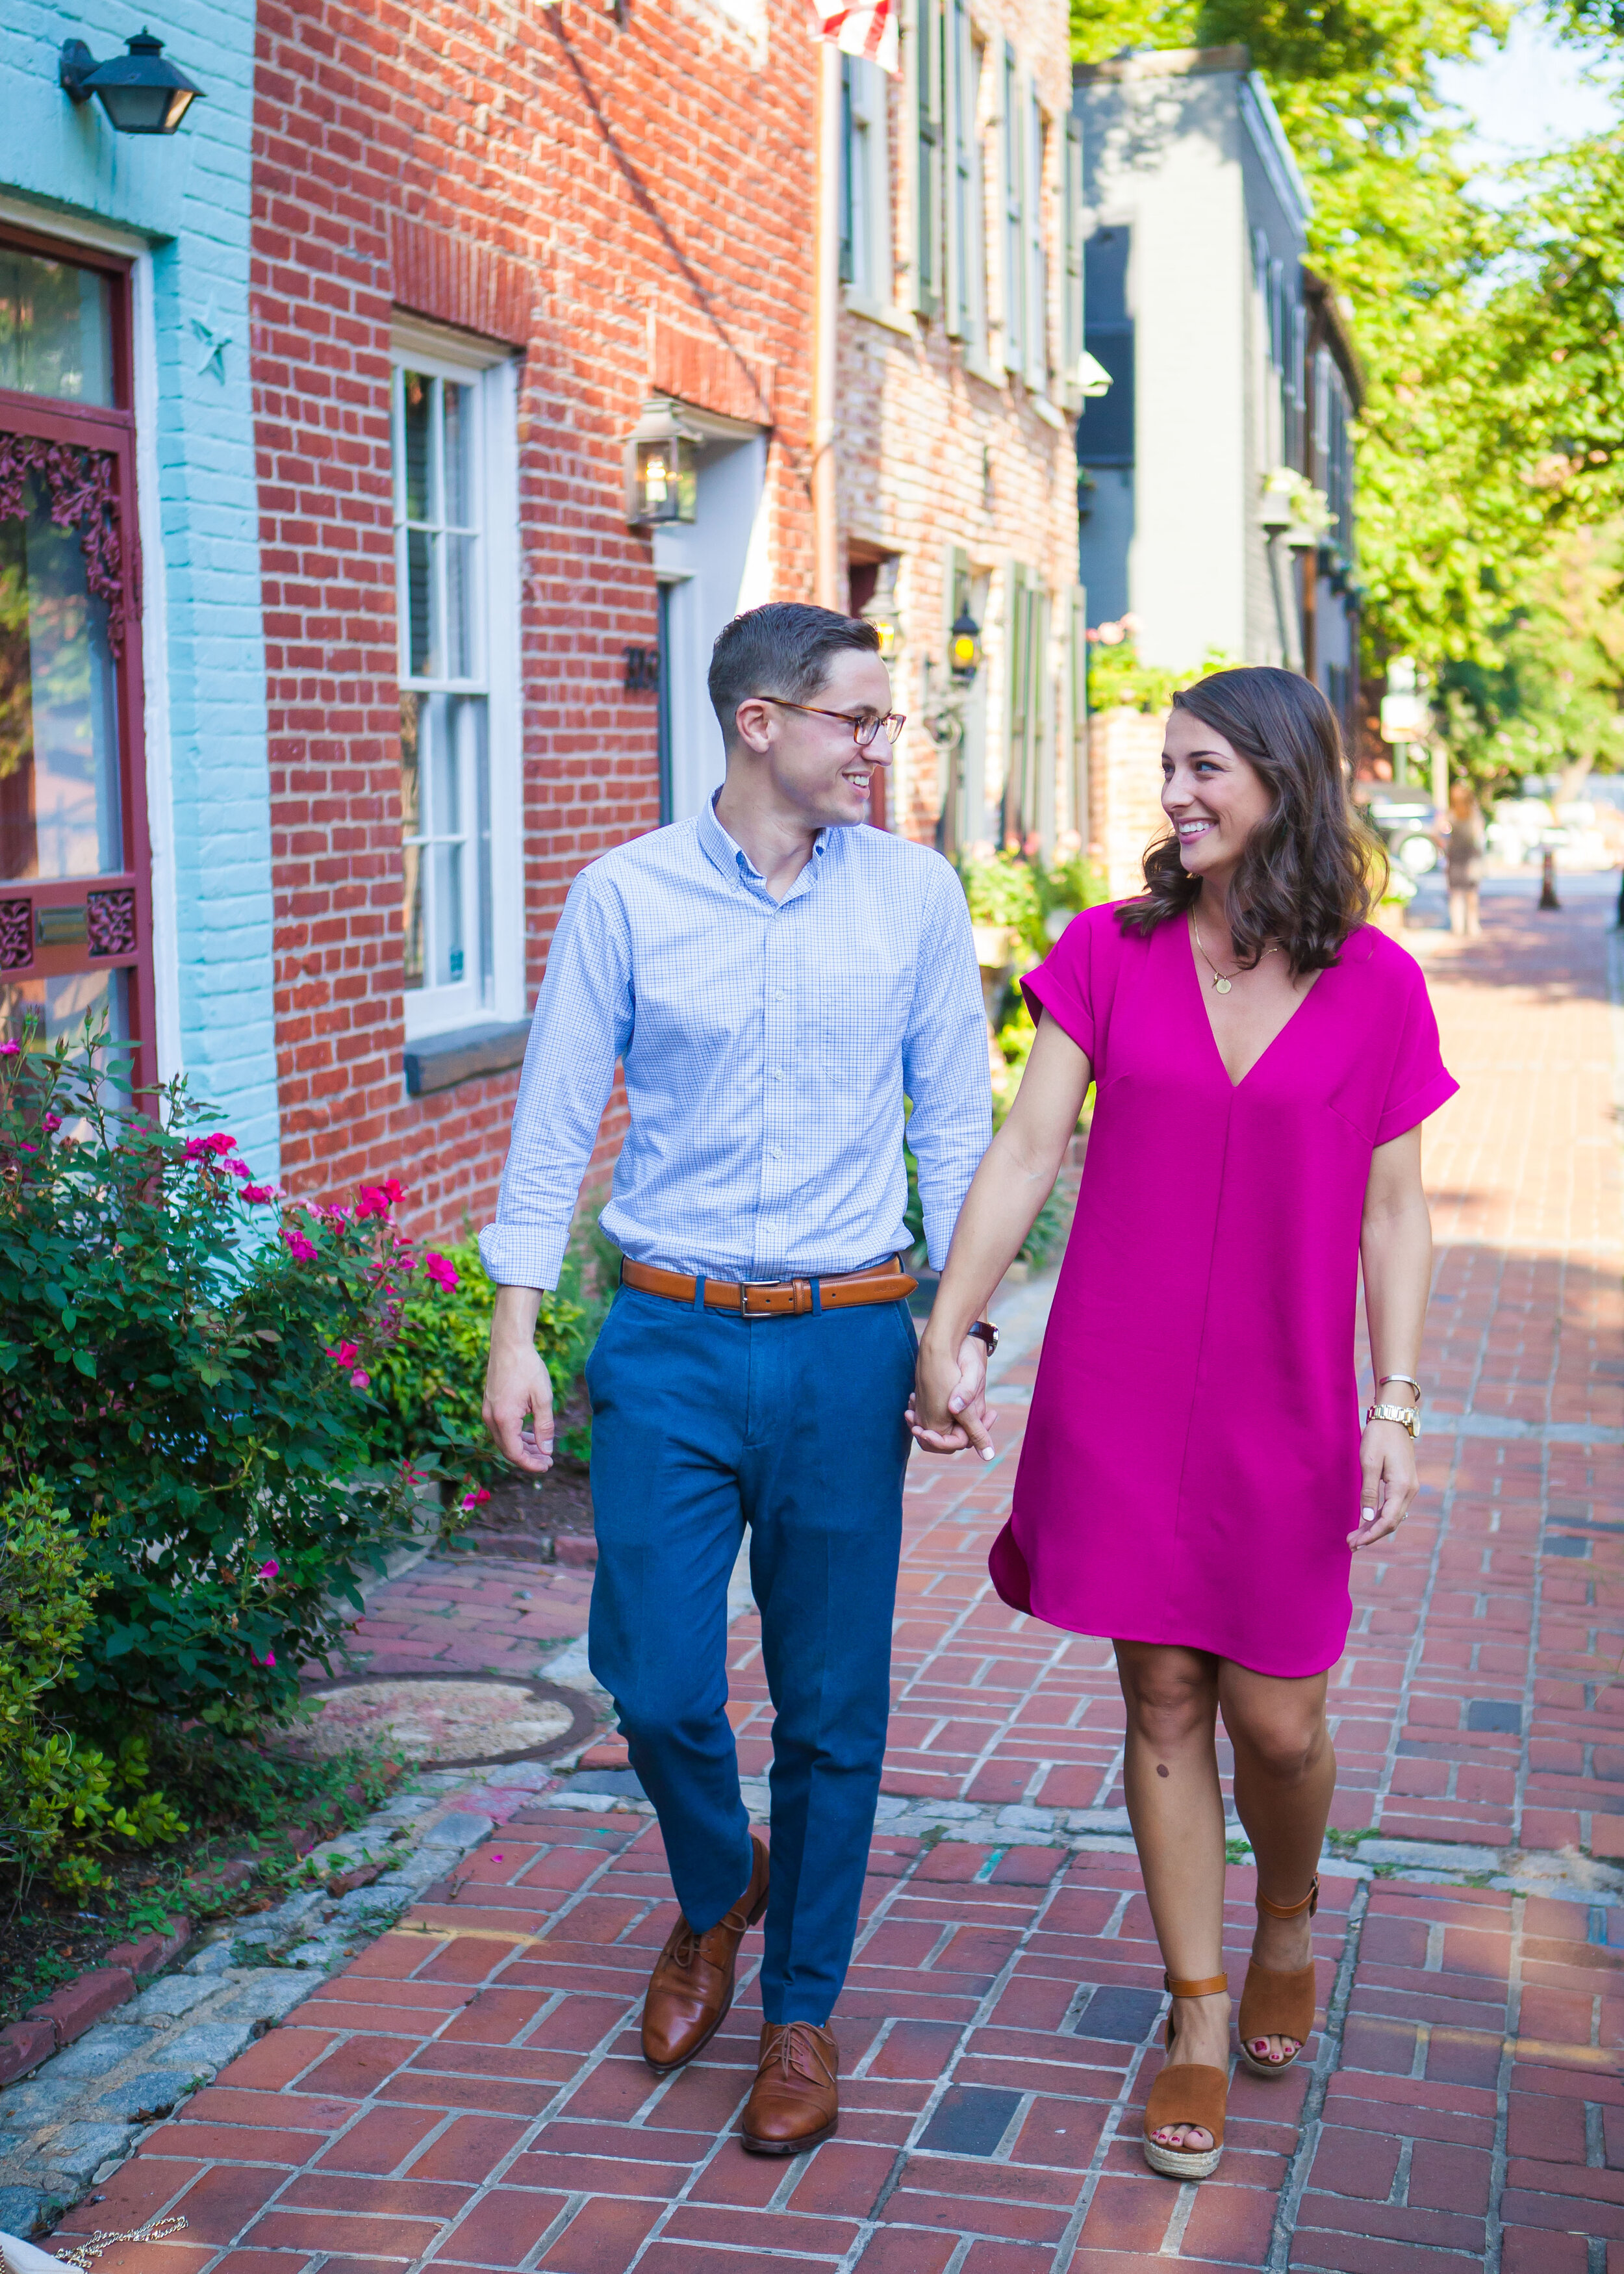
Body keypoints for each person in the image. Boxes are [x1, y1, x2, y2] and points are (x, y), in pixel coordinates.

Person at [909, 667, 1455, 2182]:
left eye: (1206, 767)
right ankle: (1198, 2017)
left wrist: (1397, 1398)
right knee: (1160, 1698)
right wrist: (947, 1324)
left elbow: (1398, 1216)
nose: (1177, 796)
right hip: (1119, 1389)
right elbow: (1029, 1149)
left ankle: (1288, 1908)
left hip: (1287, 1401)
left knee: (1277, 1716)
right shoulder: (1107, 953)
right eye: (1167, 769)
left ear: (1288, 778)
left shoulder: (1378, 986)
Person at [480, 602, 992, 2154]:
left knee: (833, 1704)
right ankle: (718, 1887)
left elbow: (956, 1128)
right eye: (857, 720)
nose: (878, 747)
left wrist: (956, 1331)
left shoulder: (909, 895)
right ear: (761, 721)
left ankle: (800, 2012)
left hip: (847, 1336)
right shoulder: (623, 896)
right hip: (672, 1333)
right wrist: (515, 1323)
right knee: (654, 1677)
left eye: (886, 721)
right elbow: (560, 1113)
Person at [1445, 778, 1485, 938]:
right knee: (1471, 893)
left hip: (1455, 857)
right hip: (1471, 857)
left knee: (1456, 893)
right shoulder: (1474, 815)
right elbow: (1479, 838)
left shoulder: (1451, 815)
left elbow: (1437, 832)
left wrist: (1445, 845)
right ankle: (1473, 925)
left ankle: (1458, 926)